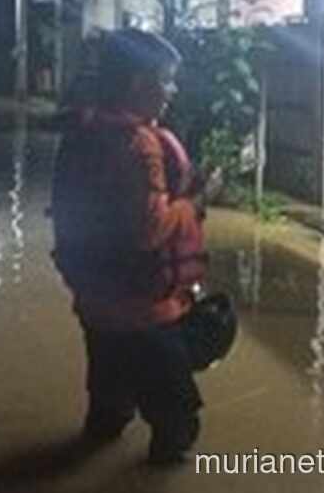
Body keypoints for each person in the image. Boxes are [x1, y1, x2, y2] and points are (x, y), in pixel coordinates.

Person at [50, 28, 212, 465]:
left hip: (94, 300)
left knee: (107, 397)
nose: (172, 92)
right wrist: (193, 202)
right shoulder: (140, 144)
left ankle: (99, 433)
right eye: (167, 80)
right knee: (175, 421)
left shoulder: (83, 132)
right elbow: (150, 230)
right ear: (140, 84)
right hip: (144, 309)